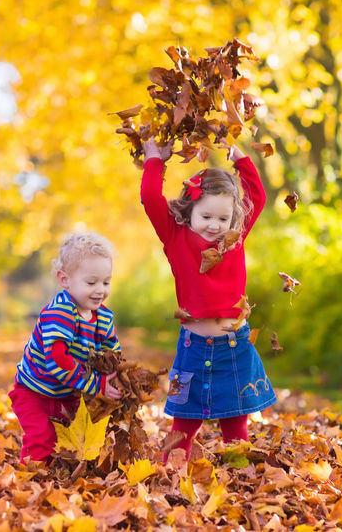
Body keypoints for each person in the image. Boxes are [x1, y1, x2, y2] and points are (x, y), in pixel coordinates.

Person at [141, 139, 276, 459]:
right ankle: (171, 479)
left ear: (234, 220)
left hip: (235, 347)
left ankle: (239, 484)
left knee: (236, 426)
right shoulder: (176, 237)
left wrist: (241, 159)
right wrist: (153, 160)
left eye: (223, 219)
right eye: (206, 217)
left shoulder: (235, 238)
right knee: (183, 427)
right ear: (189, 212)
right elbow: (150, 198)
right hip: (193, 348)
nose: (215, 226)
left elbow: (257, 196)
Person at [8, 232, 123, 464]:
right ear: (65, 280)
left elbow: (112, 352)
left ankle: (61, 477)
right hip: (34, 391)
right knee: (42, 440)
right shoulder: (60, 313)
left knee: (72, 443)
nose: (100, 289)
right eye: (91, 282)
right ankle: (29, 482)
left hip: (67, 393)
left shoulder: (102, 316)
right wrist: (98, 385)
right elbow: (58, 361)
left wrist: (119, 377)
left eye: (106, 282)